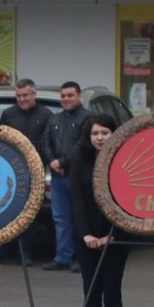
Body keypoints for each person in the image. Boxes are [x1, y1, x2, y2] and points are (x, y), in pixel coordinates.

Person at [70, 114, 129, 307]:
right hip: (86, 238)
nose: (100, 138)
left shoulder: (124, 161)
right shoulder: (79, 160)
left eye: (105, 133)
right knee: (91, 293)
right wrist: (86, 235)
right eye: (95, 133)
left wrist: (111, 236)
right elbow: (76, 201)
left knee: (111, 293)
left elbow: (127, 203)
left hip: (115, 236)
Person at [0, 78, 53, 266]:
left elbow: (48, 143)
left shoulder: (46, 115)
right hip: (9, 172)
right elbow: (0, 140)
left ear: (34, 95)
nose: (22, 99)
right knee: (4, 212)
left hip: (35, 173)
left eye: (25, 95)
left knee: (29, 216)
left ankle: (25, 254)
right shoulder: (8, 114)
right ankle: (1, 252)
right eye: (18, 96)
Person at [40, 81, 90, 272]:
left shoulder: (88, 119)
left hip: (78, 176)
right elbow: (45, 143)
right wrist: (53, 162)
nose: (66, 99)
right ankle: (63, 257)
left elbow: (83, 144)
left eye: (70, 95)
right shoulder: (54, 119)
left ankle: (83, 257)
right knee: (61, 219)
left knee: (81, 218)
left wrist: (62, 162)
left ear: (79, 96)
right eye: (63, 96)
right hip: (57, 178)